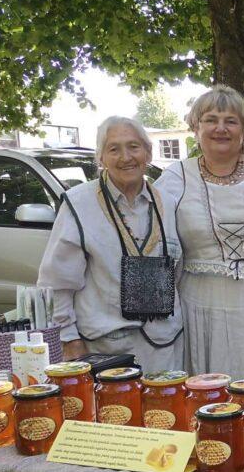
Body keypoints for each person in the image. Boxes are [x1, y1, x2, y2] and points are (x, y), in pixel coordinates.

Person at [154, 85, 244, 397]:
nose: (221, 128)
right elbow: (150, 235)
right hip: (201, 305)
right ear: (195, 127)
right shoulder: (176, 177)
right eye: (211, 120)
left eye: (231, 121)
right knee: (211, 394)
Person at [38, 116, 184, 371]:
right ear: (101, 158)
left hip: (164, 347)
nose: (126, 157)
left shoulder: (168, 203)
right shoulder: (79, 204)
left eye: (134, 147)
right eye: (114, 149)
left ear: (148, 153)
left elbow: (178, 273)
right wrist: (69, 339)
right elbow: (56, 283)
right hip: (104, 350)